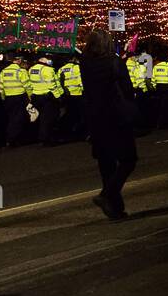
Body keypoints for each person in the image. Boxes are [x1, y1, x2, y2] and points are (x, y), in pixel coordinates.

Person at [80, 30, 137, 220]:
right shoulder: (115, 62)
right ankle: (107, 195)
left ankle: (115, 209)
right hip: (116, 117)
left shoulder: (85, 64)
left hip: (95, 119)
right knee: (129, 160)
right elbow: (127, 90)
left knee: (107, 165)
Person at [27, 54, 64, 145]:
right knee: (49, 119)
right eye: (48, 60)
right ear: (44, 60)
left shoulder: (31, 69)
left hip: (36, 96)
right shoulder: (48, 69)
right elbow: (52, 85)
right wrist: (59, 97)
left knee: (41, 118)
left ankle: (41, 137)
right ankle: (47, 139)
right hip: (47, 97)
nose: (50, 61)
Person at [0, 56, 32, 146]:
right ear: (18, 61)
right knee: (19, 118)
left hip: (8, 98)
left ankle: (10, 138)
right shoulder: (21, 71)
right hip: (20, 97)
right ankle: (14, 139)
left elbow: (1, 87)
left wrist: (3, 97)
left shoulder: (4, 71)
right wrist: (30, 97)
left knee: (12, 118)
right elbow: (27, 86)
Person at [57, 52, 84, 139]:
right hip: (77, 94)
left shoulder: (61, 69)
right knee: (78, 114)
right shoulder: (76, 67)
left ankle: (66, 133)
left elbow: (58, 82)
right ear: (73, 59)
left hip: (66, 95)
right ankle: (77, 133)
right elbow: (80, 81)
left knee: (68, 114)